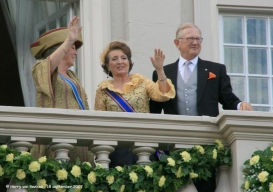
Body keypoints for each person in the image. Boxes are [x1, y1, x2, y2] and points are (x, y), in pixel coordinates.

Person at [149, 23, 253, 192]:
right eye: (190, 38)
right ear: (177, 43)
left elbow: (228, 99)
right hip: (174, 142)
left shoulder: (216, 70)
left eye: (198, 39)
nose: (195, 42)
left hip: (206, 144)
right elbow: (154, 109)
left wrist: (241, 105)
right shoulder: (163, 71)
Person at [94, 41, 175, 167]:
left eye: (124, 58)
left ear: (129, 62)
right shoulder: (103, 90)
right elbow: (99, 123)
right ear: (108, 66)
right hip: (118, 148)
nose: (120, 61)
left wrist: (159, 70)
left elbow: (163, 96)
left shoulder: (141, 81)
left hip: (144, 142)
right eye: (114, 59)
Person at [30, 16, 92, 163]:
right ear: (60, 48)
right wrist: (69, 40)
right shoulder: (40, 68)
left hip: (79, 141)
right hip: (55, 140)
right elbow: (50, 65)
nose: (76, 53)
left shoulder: (73, 76)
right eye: (73, 48)